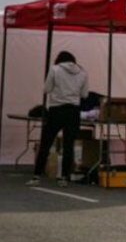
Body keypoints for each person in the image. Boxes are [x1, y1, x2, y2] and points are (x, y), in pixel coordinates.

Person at [28, 51, 88, 187]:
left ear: (59, 60)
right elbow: (84, 94)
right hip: (73, 112)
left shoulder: (54, 69)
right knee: (68, 146)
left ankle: (36, 176)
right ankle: (64, 178)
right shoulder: (83, 72)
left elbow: (46, 89)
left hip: (56, 110)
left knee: (46, 143)